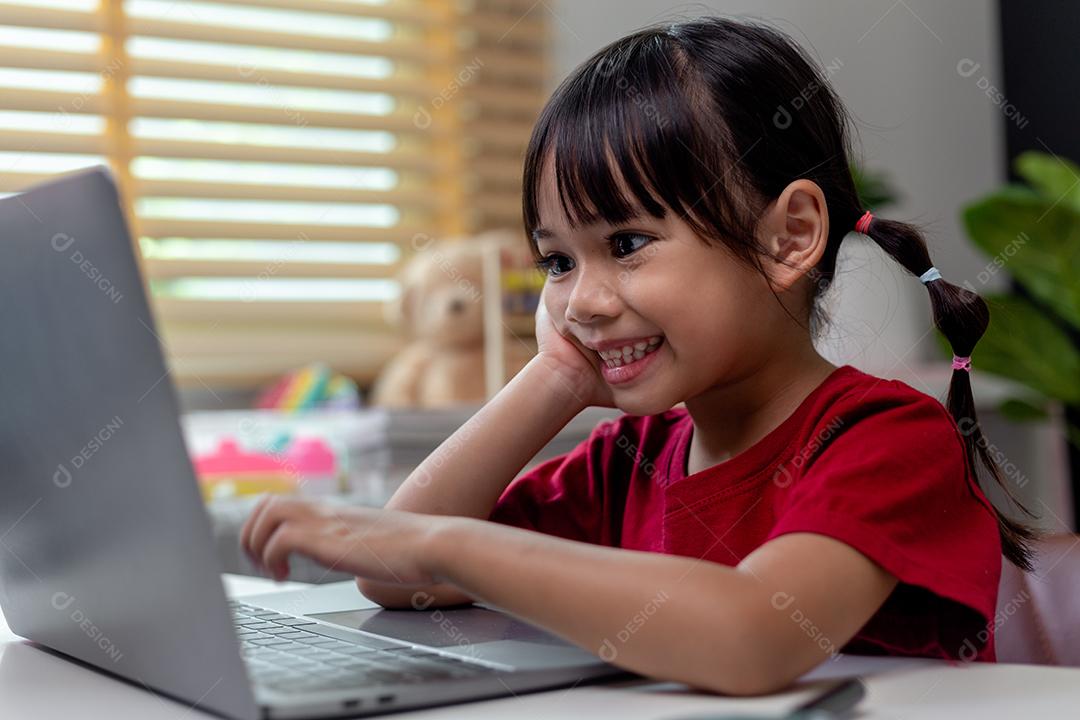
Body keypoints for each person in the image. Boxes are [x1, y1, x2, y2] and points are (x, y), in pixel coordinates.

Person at [241, 16, 1036, 694]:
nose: (581, 300)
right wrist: (551, 377)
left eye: (626, 243)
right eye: (557, 261)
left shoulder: (885, 439)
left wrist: (443, 542)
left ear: (789, 237)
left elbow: (751, 635)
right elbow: (394, 574)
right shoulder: (632, 458)